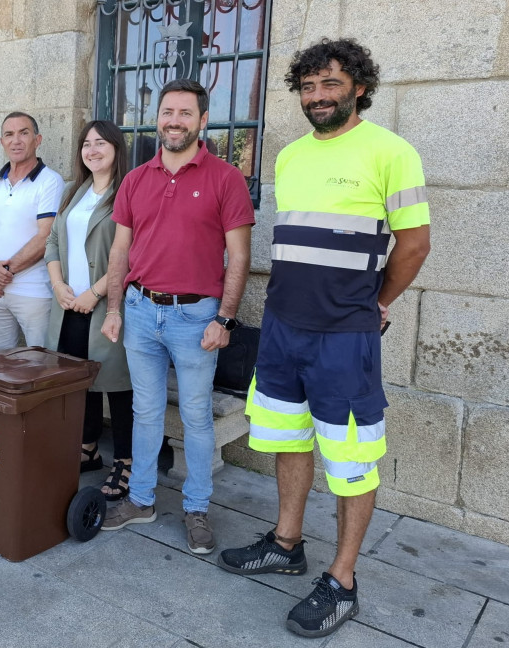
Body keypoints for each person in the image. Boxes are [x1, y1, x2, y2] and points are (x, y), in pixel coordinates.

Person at [217, 38, 431, 638]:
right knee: (288, 440)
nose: (317, 96)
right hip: (284, 330)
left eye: (330, 84)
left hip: (345, 336)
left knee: (352, 460)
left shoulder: (392, 151)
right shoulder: (289, 157)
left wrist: (379, 302)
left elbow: (414, 245)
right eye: (308, 87)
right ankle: (287, 544)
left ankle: (342, 579)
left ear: (359, 86)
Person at [99, 79, 255, 555]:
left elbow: (240, 257)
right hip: (142, 312)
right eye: (167, 112)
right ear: (158, 118)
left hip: (196, 317)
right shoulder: (136, 179)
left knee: (195, 416)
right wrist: (113, 308)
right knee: (145, 412)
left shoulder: (225, 179)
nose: (174, 121)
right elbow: (120, 249)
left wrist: (225, 320)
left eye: (185, 113)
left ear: (202, 120)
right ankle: (142, 499)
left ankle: (196, 509)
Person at [44, 120, 134, 500]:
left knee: (117, 385)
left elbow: (131, 252)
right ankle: (88, 448)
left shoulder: (127, 191)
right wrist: (58, 285)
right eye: (86, 143)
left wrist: (95, 294)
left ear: (116, 148)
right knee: (82, 382)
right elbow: (52, 241)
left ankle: (125, 462)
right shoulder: (73, 191)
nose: (92, 149)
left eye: (100, 143)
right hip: (67, 305)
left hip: (105, 306)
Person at [0, 112, 64, 351]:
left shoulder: (50, 181)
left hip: (34, 291)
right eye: (9, 134)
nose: (16, 140)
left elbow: (46, 236)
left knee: (40, 364)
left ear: (37, 139)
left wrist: (3, 273)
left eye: (24, 133)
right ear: (1, 142)